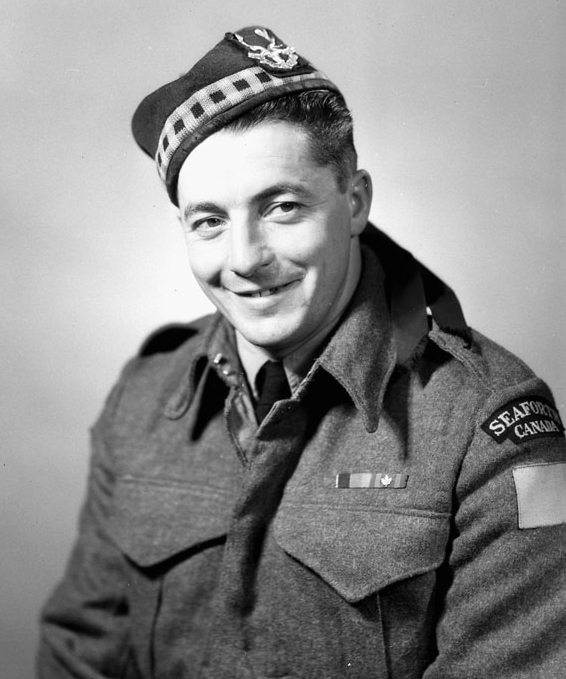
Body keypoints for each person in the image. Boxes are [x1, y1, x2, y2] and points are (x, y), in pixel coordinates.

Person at [38, 26, 566, 678]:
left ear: (355, 202)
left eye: (282, 207)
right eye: (210, 221)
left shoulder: (485, 423)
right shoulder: (141, 400)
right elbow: (80, 653)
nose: (244, 259)